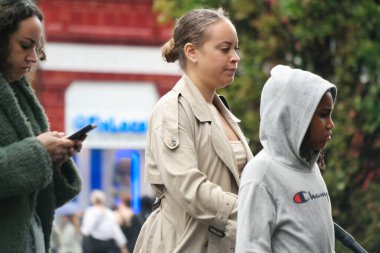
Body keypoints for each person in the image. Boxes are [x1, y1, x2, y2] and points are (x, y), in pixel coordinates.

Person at [134, 8, 253, 253]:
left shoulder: (220, 110)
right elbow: (191, 189)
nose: (235, 57)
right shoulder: (172, 110)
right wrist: (255, 212)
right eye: (224, 49)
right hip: (182, 245)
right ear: (192, 52)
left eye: (236, 49)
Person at [0, 1, 83, 252]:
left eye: (37, 47)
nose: (33, 57)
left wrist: (53, 159)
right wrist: (38, 152)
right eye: (25, 45)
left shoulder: (18, 92)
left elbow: (38, 199)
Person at [236, 65, 337, 252]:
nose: (331, 124)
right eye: (323, 115)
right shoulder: (261, 174)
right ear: (294, 116)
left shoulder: (310, 167)